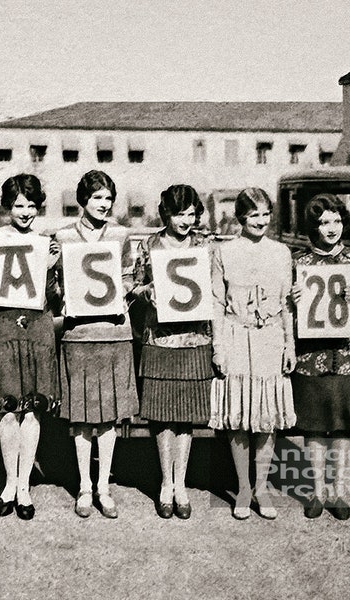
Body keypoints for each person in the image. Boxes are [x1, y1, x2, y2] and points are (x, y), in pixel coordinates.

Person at [55, 170, 138, 519]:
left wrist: (125, 293)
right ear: (83, 200)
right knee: (81, 418)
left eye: (108, 199)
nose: (103, 205)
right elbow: (54, 285)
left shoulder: (121, 235)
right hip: (78, 335)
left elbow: (130, 279)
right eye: (97, 198)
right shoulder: (61, 237)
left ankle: (104, 486)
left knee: (107, 419)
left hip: (114, 333)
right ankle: (84, 487)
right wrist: (64, 295)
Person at [210, 187, 296, 520]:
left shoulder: (281, 252)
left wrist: (290, 344)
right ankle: (243, 487)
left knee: (266, 418)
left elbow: (287, 303)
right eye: (253, 214)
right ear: (241, 217)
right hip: (235, 336)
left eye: (265, 214)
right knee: (238, 417)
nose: (260, 221)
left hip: (271, 338)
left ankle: (262, 487)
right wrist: (218, 347)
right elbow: (217, 302)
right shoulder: (224, 251)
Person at [0, 174, 60, 520]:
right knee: (8, 410)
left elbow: (54, 298)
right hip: (3, 328)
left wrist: (53, 268)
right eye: (18, 206)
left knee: (32, 410)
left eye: (31, 205)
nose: (25, 212)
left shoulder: (46, 243)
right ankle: (10, 482)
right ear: (7, 208)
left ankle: (25, 484)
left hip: (36, 329)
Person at [130, 185, 212, 519]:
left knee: (186, 417)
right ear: (166, 214)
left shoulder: (204, 246)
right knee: (162, 415)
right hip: (160, 340)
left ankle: (182, 484)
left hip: (194, 340)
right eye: (179, 214)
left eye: (191, 214)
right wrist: (146, 290)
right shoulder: (148, 245)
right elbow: (133, 286)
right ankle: (166, 482)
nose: (186, 221)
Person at [291, 194, 350, 520]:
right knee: (313, 427)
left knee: (342, 427)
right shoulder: (299, 263)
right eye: (324, 222)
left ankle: (339, 491)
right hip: (311, 357)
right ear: (313, 226)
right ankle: (316, 491)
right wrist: (293, 298)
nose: (332, 228)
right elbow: (286, 314)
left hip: (345, 356)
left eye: (337, 221)